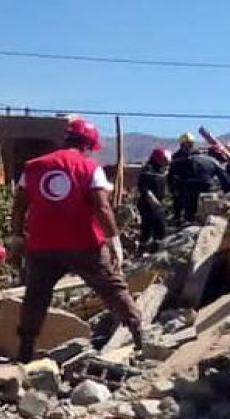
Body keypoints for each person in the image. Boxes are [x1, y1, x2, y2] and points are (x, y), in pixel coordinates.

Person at [10, 118, 142, 362]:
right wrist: (114, 240)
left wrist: (16, 235)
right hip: (86, 244)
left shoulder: (33, 167)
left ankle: (25, 349)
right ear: (88, 145)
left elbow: (19, 205)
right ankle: (140, 336)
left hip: (43, 245)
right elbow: (102, 207)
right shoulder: (90, 168)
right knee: (113, 288)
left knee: (36, 295)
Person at [168, 142, 230, 223]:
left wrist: (174, 189)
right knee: (207, 214)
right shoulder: (213, 161)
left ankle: (187, 223)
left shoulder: (184, 159)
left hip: (188, 189)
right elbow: (225, 181)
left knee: (190, 215)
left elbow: (172, 173)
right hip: (206, 189)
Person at [137, 147, 171, 251]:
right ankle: (142, 252)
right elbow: (143, 187)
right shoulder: (148, 170)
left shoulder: (160, 170)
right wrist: (151, 198)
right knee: (147, 229)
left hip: (158, 205)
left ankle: (157, 250)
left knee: (160, 229)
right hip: (148, 205)